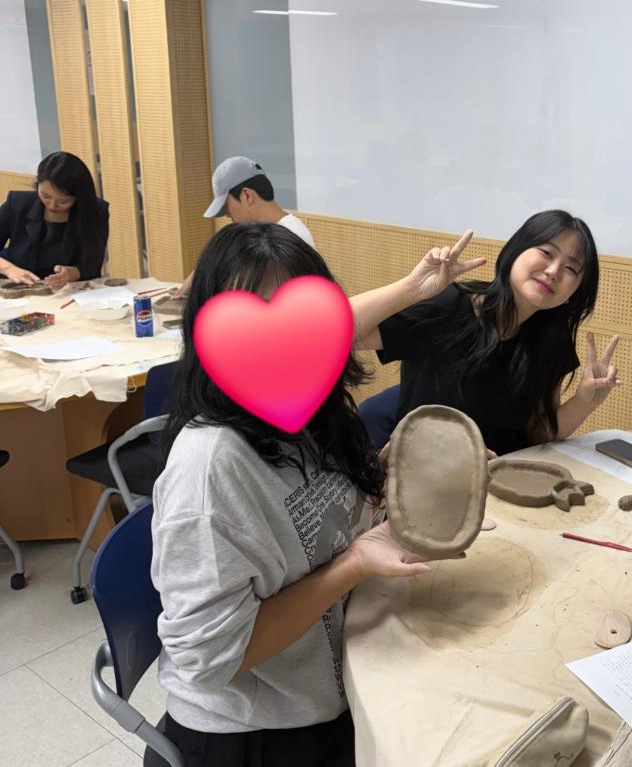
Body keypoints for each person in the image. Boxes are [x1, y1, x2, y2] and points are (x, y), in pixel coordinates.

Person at [148, 223, 428, 767]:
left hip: (334, 680)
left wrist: (389, 469)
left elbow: (321, 520)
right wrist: (353, 566)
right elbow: (208, 659)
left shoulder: (312, 414)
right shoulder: (211, 465)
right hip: (256, 730)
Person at [351, 210, 622, 456]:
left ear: (576, 291)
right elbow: (336, 332)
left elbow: (536, 434)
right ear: (516, 250)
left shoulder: (551, 339)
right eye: (547, 253)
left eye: (571, 268)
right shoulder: (449, 306)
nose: (553, 272)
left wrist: (585, 401)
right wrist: (412, 289)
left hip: (494, 481)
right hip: (420, 476)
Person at [175, 157, 315, 296]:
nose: (227, 215)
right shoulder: (264, 235)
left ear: (247, 195)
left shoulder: (292, 236)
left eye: (226, 207)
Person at [0, 151, 109, 291]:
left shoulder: (95, 211)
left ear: (78, 197)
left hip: (67, 290)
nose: (52, 206)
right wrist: (9, 269)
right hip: (17, 287)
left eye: (63, 201)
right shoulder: (17, 204)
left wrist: (74, 273)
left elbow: (92, 264)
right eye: (45, 196)